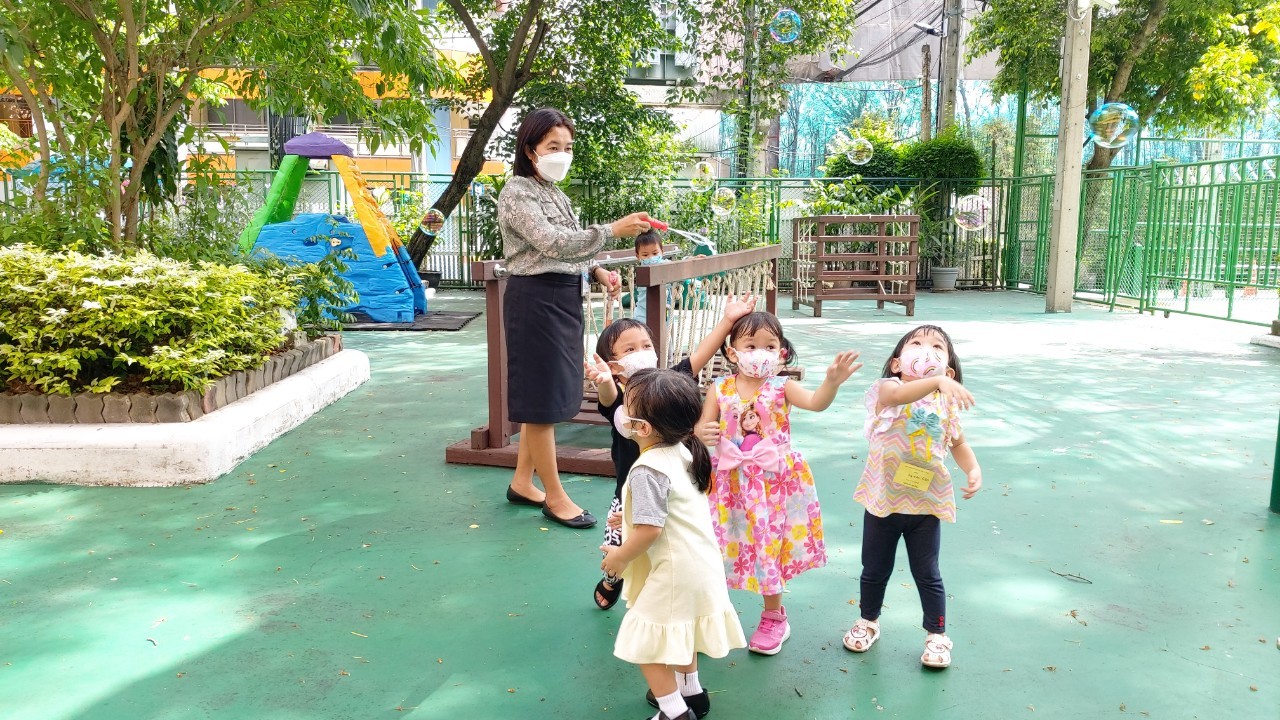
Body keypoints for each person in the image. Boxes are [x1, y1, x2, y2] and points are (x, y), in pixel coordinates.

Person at [498, 107, 652, 528]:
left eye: (568, 147)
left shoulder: (555, 194)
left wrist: (597, 270)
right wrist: (611, 231)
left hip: (562, 297)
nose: (562, 154)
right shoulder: (517, 192)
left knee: (548, 395)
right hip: (535, 300)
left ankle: (522, 482)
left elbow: (570, 248)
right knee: (541, 402)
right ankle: (555, 496)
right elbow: (551, 242)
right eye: (553, 146)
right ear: (530, 150)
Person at [699, 311, 862, 655]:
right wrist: (702, 432)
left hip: (772, 485)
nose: (760, 352)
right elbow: (702, 425)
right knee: (717, 543)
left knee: (767, 544)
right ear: (732, 352)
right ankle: (713, 614)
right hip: (728, 483)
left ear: (781, 352)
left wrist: (831, 383)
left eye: (769, 345)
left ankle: (774, 617)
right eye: (751, 345)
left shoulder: (782, 386)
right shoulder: (719, 388)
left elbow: (816, 402)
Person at [584, 295, 757, 610]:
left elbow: (700, 356)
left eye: (646, 345)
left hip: (674, 484)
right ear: (614, 365)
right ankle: (613, 576)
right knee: (618, 542)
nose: (642, 352)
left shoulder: (667, 384)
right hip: (630, 490)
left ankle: (660, 581)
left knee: (662, 538)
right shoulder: (622, 399)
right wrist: (606, 382)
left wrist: (728, 320)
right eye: (630, 349)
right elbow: (608, 397)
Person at [601, 369, 746, 720]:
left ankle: (674, 711)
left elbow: (650, 531)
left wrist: (619, 558)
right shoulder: (683, 451)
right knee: (682, 629)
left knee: (645, 644)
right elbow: (674, 509)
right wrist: (630, 517)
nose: (622, 413)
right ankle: (691, 693)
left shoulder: (647, 468)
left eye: (627, 406)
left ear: (642, 428)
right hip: (701, 565)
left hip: (677, 572)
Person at [843, 325, 982, 669]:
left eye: (937, 346)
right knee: (874, 569)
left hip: (925, 505)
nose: (925, 349)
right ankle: (868, 621)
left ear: (949, 371)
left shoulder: (946, 404)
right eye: (916, 343)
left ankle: (937, 635)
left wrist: (973, 469)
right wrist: (937, 382)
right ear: (896, 363)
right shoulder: (888, 389)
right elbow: (896, 397)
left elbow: (959, 443)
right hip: (882, 502)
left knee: (928, 572)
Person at [631, 230, 665, 325]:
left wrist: (690, 259)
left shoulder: (665, 266)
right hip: (642, 314)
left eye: (655, 253)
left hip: (663, 313)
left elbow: (677, 266)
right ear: (638, 256)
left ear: (662, 252)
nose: (651, 258)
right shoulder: (642, 271)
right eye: (645, 255)